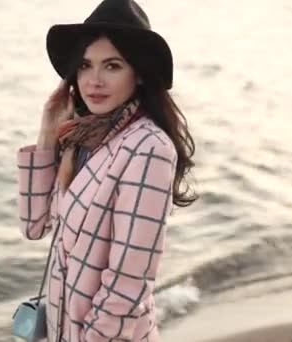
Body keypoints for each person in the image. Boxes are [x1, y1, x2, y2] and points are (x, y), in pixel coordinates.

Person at [17, 0, 197, 341]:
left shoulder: (149, 147)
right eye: (85, 66)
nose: (94, 80)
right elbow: (33, 225)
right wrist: (47, 134)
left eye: (111, 66)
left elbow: (128, 281)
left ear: (140, 73)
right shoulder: (81, 139)